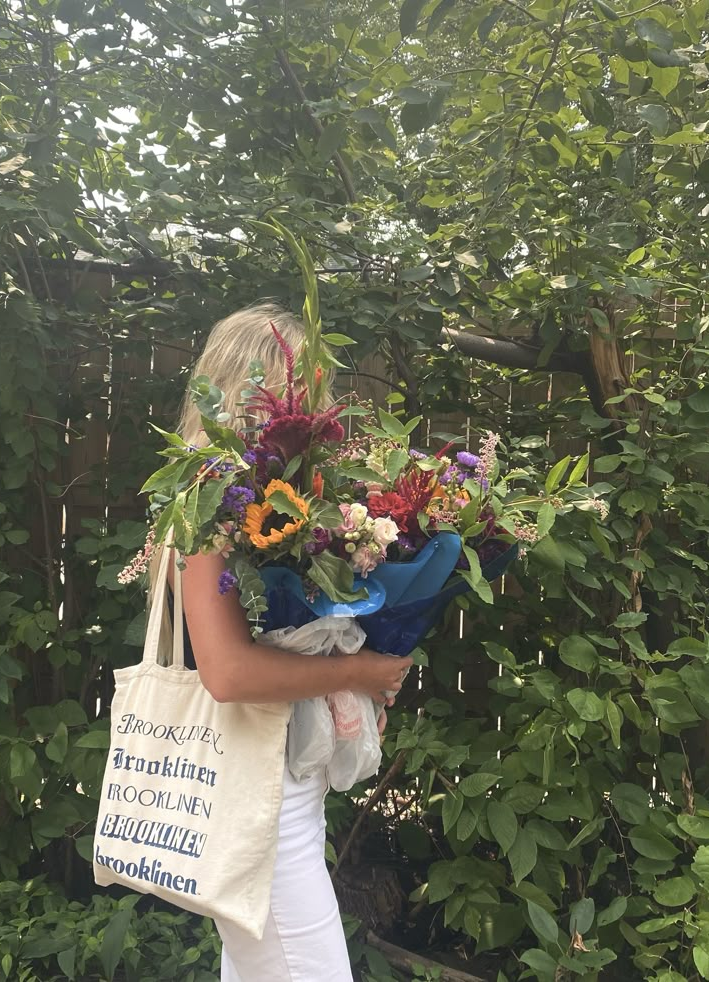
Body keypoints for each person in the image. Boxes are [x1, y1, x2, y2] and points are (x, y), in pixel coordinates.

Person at [150, 303, 413, 982]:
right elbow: (229, 673)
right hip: (254, 795)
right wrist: (359, 670)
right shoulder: (209, 497)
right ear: (258, 390)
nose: (312, 409)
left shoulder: (264, 497)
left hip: (276, 788)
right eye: (300, 393)